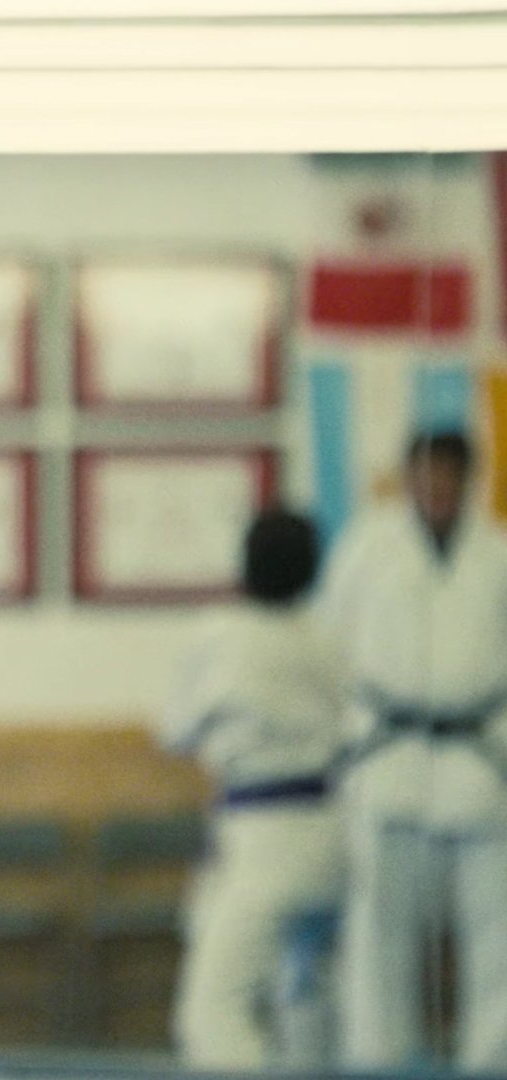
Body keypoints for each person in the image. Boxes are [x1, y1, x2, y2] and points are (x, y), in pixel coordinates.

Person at [316, 429, 507, 1072]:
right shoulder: (368, 550)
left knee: (497, 931)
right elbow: (331, 650)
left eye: (451, 476)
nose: (438, 488)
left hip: (479, 760)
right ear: (407, 479)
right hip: (388, 757)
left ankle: (491, 1058)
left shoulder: (499, 554)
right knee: (378, 933)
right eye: (427, 475)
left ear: (469, 481)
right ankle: (376, 1057)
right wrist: (349, 737)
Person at [155, 508, 348, 1070]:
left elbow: (175, 731)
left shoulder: (218, 635)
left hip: (263, 839)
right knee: (307, 995)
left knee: (211, 1009)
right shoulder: (328, 639)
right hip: (330, 835)